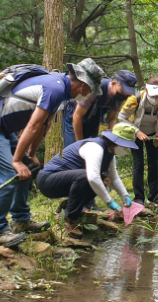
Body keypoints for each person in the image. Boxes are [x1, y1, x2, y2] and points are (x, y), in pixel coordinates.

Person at [0, 58, 105, 247]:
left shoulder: (60, 89)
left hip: (0, 128)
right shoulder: (55, 88)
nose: (90, 96)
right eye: (91, 90)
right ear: (83, 85)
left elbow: (43, 126)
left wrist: (30, 154)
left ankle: (20, 221)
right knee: (8, 174)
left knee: (28, 167)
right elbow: (33, 125)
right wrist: (16, 161)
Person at [37, 123, 138, 239]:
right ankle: (70, 220)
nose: (126, 149)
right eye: (125, 145)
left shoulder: (109, 152)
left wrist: (125, 196)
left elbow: (113, 177)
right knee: (88, 177)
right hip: (48, 181)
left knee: (102, 179)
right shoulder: (95, 147)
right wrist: (109, 202)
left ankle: (68, 208)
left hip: (64, 181)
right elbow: (92, 177)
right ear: (117, 142)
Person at [62, 70, 137, 212]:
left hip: (94, 119)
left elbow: (111, 119)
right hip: (74, 117)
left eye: (128, 92)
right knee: (80, 162)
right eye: (124, 90)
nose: (126, 95)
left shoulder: (120, 96)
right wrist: (81, 145)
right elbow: (77, 117)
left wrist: (113, 141)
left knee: (95, 165)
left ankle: (90, 202)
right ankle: (76, 205)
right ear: (114, 83)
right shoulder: (96, 89)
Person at [118, 77, 158, 206]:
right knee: (138, 164)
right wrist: (137, 131)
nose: (155, 98)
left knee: (154, 164)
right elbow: (122, 117)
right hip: (135, 132)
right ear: (147, 91)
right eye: (153, 95)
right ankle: (138, 198)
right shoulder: (134, 99)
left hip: (154, 133)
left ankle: (153, 197)